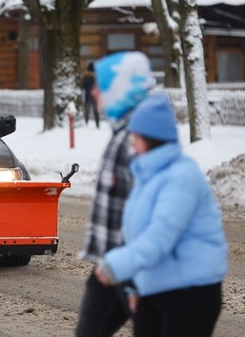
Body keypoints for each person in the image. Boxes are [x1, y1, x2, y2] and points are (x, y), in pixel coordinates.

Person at [95, 93, 228, 337]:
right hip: (156, 289)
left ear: (151, 137)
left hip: (190, 292)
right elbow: (138, 235)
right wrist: (136, 287)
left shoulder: (181, 176)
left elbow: (161, 236)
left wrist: (117, 265)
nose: (131, 142)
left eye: (135, 136)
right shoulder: (146, 175)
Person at [76, 51, 155, 337]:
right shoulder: (124, 132)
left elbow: (154, 215)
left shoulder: (138, 140)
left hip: (134, 270)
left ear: (121, 89)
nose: (94, 91)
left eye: (102, 85)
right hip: (111, 268)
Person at [82, 62, 100, 128]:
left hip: (88, 95)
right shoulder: (96, 76)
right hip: (94, 95)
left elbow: (83, 86)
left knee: (87, 110)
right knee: (95, 111)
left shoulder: (86, 76)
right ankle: (97, 124)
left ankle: (86, 123)